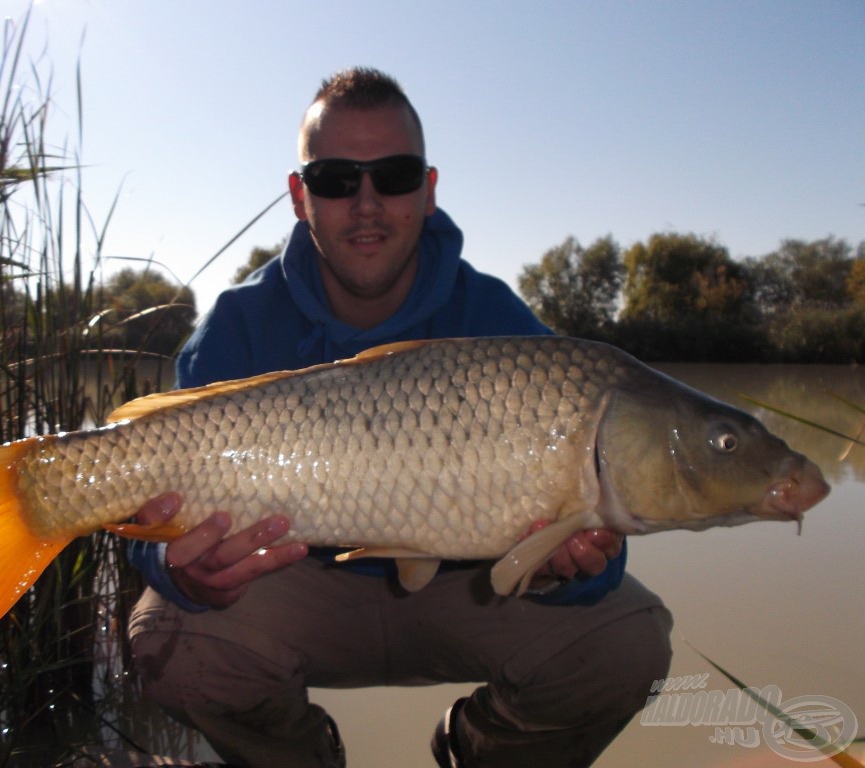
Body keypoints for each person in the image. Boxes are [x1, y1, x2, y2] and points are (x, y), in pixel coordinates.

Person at [128, 67, 672, 768]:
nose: (366, 202)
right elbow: (147, 513)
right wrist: (180, 570)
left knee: (626, 644)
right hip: (297, 585)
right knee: (170, 642)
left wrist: (566, 567)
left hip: (464, 590)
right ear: (300, 197)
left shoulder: (496, 321)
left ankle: (475, 749)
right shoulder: (240, 325)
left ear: (428, 188)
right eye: (334, 179)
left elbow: (600, 548)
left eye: (393, 174)